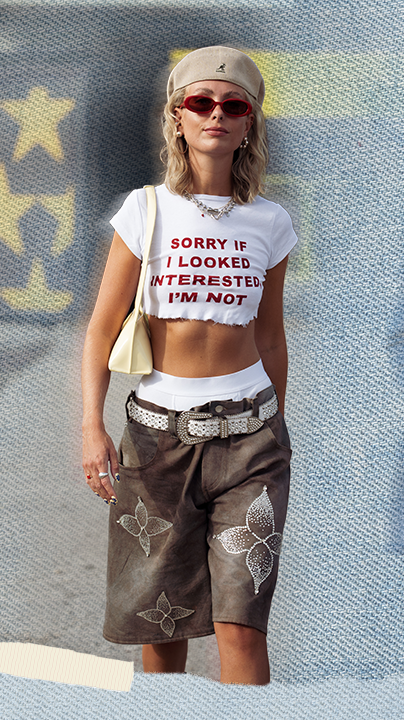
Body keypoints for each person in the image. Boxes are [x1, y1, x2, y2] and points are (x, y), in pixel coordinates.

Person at [80, 46, 296, 684]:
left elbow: (271, 336)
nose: (216, 114)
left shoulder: (271, 223)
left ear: (249, 123)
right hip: (156, 442)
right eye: (201, 103)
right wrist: (92, 427)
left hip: (251, 442)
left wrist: (274, 427)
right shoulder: (144, 210)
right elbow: (101, 328)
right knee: (162, 628)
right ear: (178, 117)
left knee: (242, 626)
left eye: (234, 106)